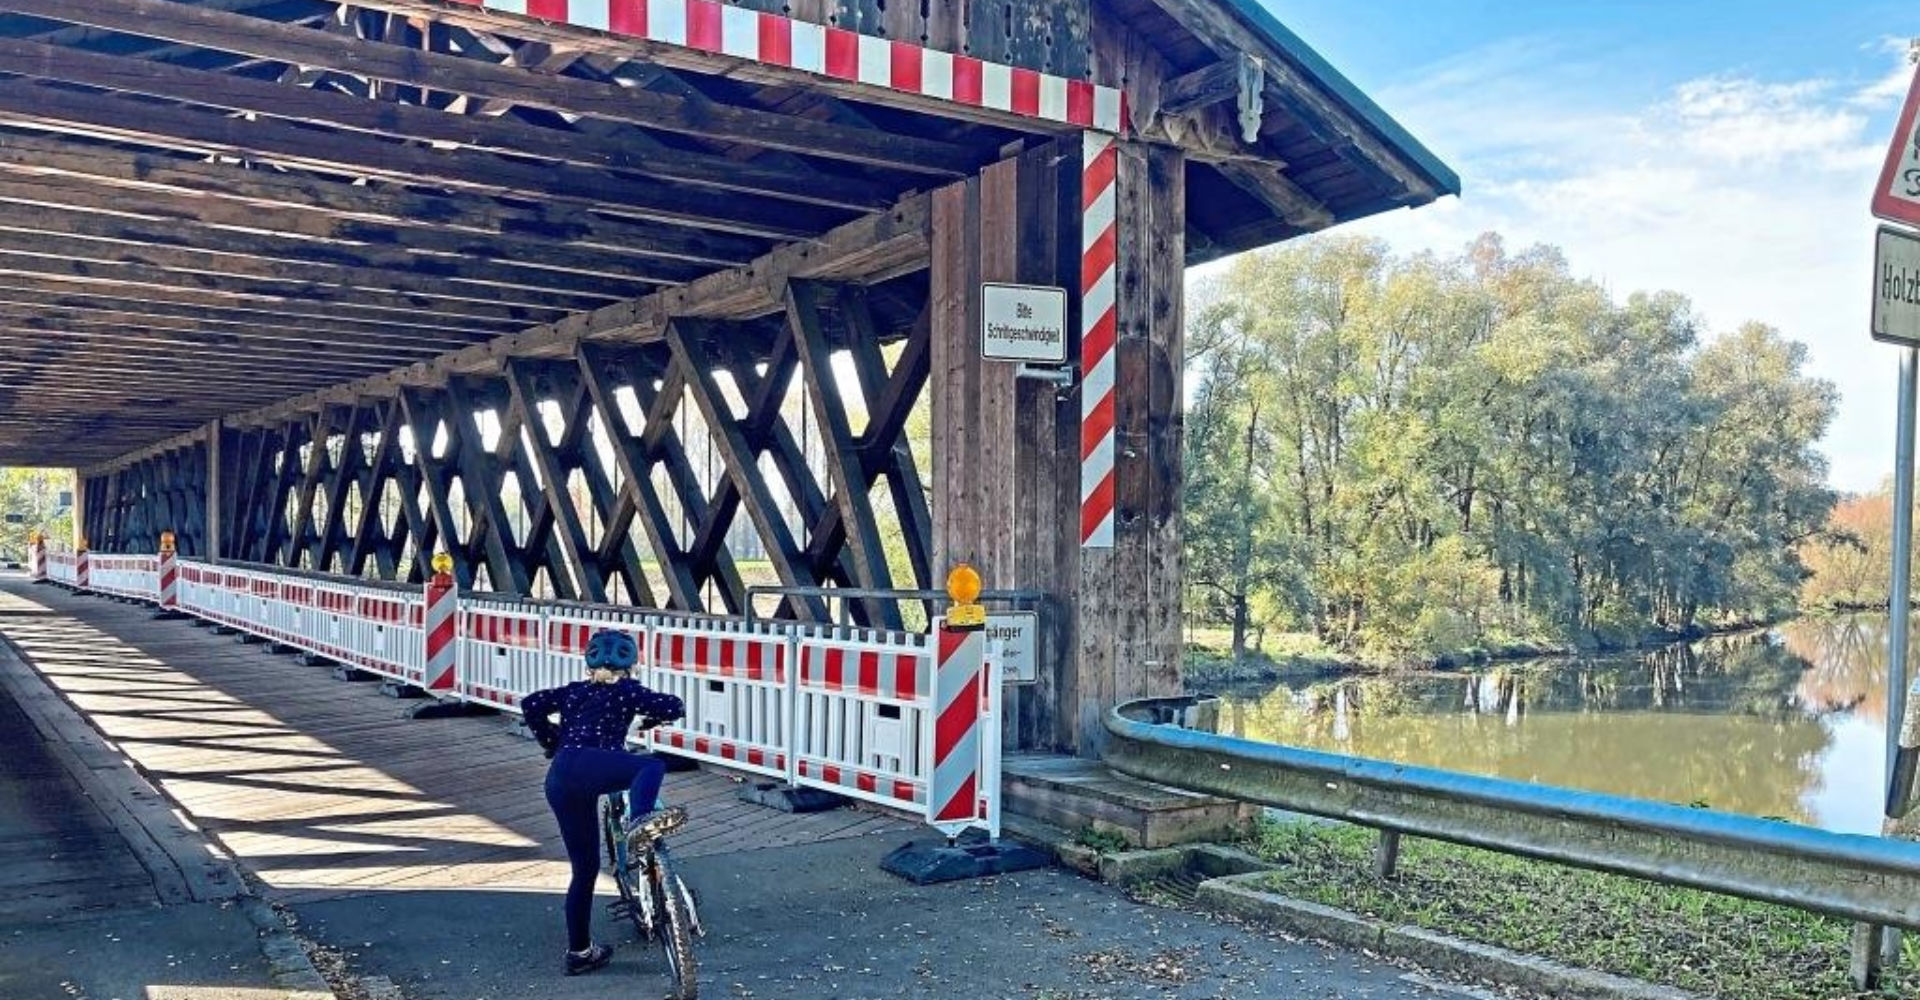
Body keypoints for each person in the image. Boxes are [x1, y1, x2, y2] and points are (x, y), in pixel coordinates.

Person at [522, 629, 687, 977]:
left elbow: (531, 704)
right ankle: (641, 821)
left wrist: (552, 740)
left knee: (584, 870)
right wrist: (656, 717)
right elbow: (674, 706)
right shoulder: (627, 691)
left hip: (561, 774)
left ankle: (580, 952)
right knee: (650, 766)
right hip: (598, 764)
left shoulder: (573, 691)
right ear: (631, 664)